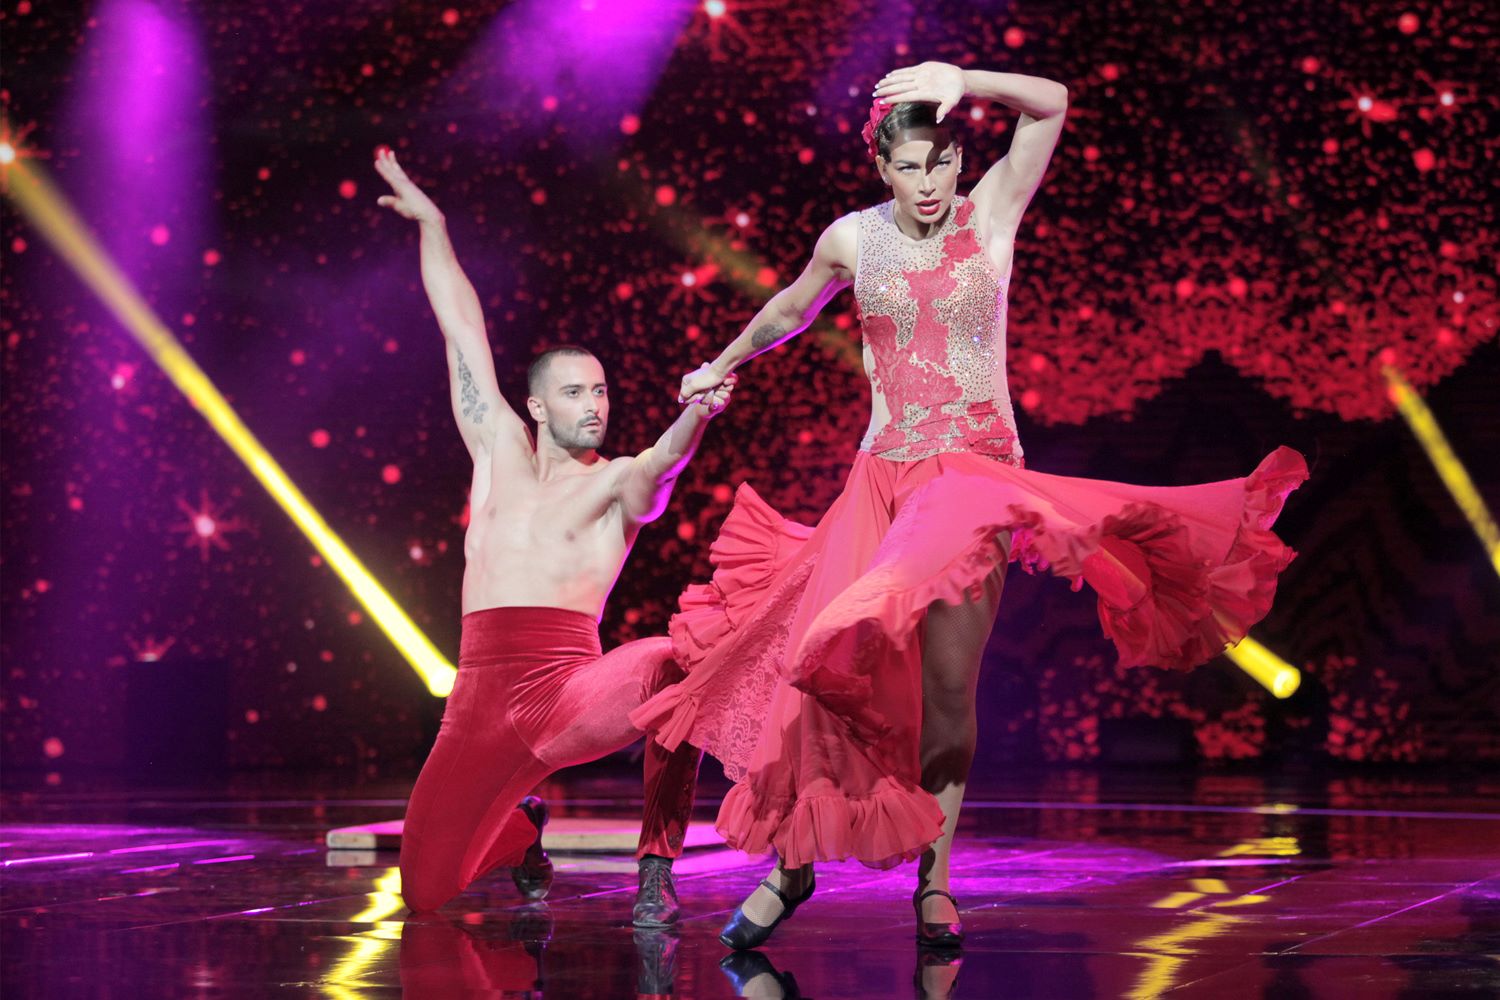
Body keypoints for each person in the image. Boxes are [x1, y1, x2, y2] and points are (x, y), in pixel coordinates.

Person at [632, 62, 1307, 949]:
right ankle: (792, 869)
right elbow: (791, 311)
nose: (930, 184)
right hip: (881, 477)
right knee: (818, 665)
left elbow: (1054, 103)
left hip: (974, 481)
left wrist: (966, 77)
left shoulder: (990, 214)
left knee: (948, 687)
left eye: (942, 163)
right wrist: (720, 364)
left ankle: (934, 882)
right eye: (911, 168)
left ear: (958, 160)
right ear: (883, 166)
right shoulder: (851, 239)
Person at [374, 146, 730, 923]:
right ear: (536, 406)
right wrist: (432, 223)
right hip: (475, 697)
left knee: (677, 662)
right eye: (574, 393)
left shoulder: (615, 480)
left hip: (566, 689)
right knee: (426, 892)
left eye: (600, 390)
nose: (594, 404)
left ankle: (654, 868)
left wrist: (695, 413)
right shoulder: (496, 447)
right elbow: (459, 325)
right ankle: (519, 836)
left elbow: (664, 466)